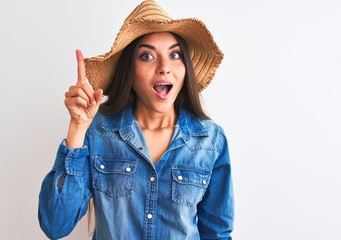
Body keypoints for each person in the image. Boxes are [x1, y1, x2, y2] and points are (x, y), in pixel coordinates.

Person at [38, 0, 234, 239]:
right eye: (147, 56)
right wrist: (78, 128)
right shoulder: (98, 132)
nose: (164, 67)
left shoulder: (211, 140)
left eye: (174, 54)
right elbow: (55, 225)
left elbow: (217, 233)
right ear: (129, 70)